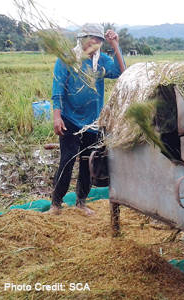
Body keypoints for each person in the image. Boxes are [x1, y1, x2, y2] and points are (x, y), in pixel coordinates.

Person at [45, 23, 125, 216]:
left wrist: (115, 46)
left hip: (92, 122)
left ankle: (81, 202)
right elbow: (58, 90)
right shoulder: (67, 59)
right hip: (69, 119)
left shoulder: (102, 61)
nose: (95, 42)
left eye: (98, 39)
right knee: (67, 159)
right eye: (91, 37)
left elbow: (123, 73)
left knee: (88, 163)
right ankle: (56, 204)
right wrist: (57, 117)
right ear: (81, 39)